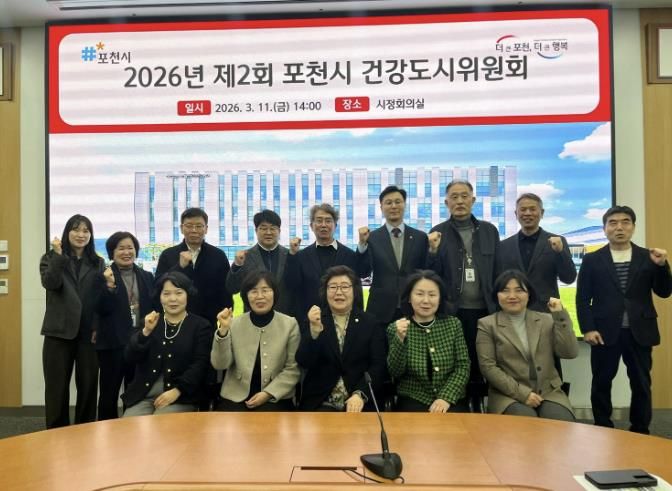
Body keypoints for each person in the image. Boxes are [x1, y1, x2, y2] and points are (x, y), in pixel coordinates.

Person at [577, 205, 672, 434]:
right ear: (604, 228)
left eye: (625, 222)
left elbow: (664, 292)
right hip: (604, 333)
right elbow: (583, 299)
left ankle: (640, 429)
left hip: (640, 332)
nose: (619, 227)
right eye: (613, 223)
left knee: (641, 383)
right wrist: (588, 329)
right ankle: (602, 427)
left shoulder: (649, 257)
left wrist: (662, 266)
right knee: (601, 382)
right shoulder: (592, 260)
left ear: (633, 227)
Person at [426, 179, 499, 411]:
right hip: (452, 312)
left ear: (473, 200)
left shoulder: (489, 231)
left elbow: (498, 270)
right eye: (454, 197)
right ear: (446, 202)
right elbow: (431, 275)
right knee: (455, 362)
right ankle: (459, 406)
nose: (459, 201)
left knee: (483, 362)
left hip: (486, 311)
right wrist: (432, 251)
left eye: (464, 196)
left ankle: (479, 409)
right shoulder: (438, 232)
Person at [155, 207, 233, 409]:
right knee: (179, 365)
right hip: (176, 325)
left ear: (206, 228)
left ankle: (206, 410)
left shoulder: (218, 255)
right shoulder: (169, 255)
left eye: (199, 226)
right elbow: (159, 288)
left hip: (208, 324)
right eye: (189, 226)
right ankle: (178, 402)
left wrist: (224, 321)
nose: (194, 230)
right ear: (181, 228)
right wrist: (179, 267)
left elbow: (225, 292)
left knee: (207, 370)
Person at [476, 270, 578, 420]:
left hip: (549, 392)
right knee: (525, 422)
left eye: (519, 290)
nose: (512, 296)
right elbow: (488, 367)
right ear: (496, 295)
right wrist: (523, 394)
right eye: (505, 291)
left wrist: (559, 315)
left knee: (560, 422)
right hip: (507, 395)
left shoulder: (547, 320)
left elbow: (570, 352)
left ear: (529, 294)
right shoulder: (487, 325)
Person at [40, 214, 105, 428]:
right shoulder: (50, 257)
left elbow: (99, 298)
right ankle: (56, 433)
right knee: (56, 389)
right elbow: (50, 283)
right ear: (67, 232)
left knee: (88, 388)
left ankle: (85, 432)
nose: (81, 234)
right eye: (76, 229)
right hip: (58, 332)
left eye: (86, 231)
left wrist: (97, 326)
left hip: (88, 334)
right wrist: (58, 256)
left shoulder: (98, 262)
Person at [296, 265, 387, 411]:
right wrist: (314, 332)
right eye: (333, 287)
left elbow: (378, 365)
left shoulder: (370, 323)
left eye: (345, 287)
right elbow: (304, 362)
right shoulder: (314, 319)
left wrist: (360, 394)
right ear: (325, 292)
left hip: (359, 402)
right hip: (322, 402)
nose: (339, 292)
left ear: (354, 291)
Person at [122, 272, 213, 416]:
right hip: (145, 393)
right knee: (130, 424)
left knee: (162, 424)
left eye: (179, 293)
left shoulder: (201, 326)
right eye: (166, 294)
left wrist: (178, 390)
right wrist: (145, 332)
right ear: (159, 297)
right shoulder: (150, 322)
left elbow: (200, 365)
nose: (173, 299)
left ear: (188, 295)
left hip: (181, 395)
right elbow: (130, 358)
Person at [212, 270, 300, 411]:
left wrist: (268, 393)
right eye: (253, 291)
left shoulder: (289, 324)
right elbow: (220, 364)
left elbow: (292, 369)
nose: (260, 296)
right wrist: (223, 331)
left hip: (276, 397)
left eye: (265, 290)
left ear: (274, 293)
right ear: (246, 296)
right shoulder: (234, 323)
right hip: (235, 397)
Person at [387, 270, 470, 413]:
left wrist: (445, 398)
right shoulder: (396, 327)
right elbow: (395, 372)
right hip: (413, 399)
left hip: (451, 399)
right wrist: (399, 339)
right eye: (419, 294)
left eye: (432, 295)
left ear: (440, 298)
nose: (426, 300)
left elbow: (463, 366)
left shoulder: (453, 324)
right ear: (409, 298)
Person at [96, 231, 154, 420]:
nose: (126, 252)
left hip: (138, 342)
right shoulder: (102, 276)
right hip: (112, 344)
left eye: (130, 248)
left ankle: (132, 428)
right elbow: (100, 308)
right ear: (112, 253)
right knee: (109, 393)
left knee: (135, 391)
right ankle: (106, 429)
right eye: (121, 248)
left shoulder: (146, 276)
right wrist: (110, 286)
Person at [357, 185, 428, 326]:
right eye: (388, 203)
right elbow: (362, 272)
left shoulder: (420, 237)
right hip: (380, 309)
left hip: (413, 307)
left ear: (404, 205)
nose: (393, 206)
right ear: (381, 207)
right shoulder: (372, 238)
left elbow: (426, 272)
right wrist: (362, 244)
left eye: (398, 202)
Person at [497, 193, 576, 312]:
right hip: (513, 311)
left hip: (546, 311)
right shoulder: (504, 246)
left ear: (542, 213)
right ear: (516, 214)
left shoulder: (557, 242)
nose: (527, 213)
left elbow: (568, 278)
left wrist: (560, 252)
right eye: (523, 209)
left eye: (532, 209)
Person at [285, 203, 366, 319]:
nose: (323, 225)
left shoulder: (350, 255)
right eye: (319, 221)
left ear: (335, 225)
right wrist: (292, 254)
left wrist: (362, 244)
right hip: (310, 319)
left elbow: (360, 280)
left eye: (328, 221)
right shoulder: (301, 256)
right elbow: (291, 284)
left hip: (343, 319)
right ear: (311, 226)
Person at [226, 210, 293, 316]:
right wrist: (237, 265)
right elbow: (232, 288)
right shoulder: (245, 257)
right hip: (253, 318)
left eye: (273, 228)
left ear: (279, 231)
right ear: (256, 230)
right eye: (263, 228)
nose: (268, 232)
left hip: (284, 317)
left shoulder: (290, 256)